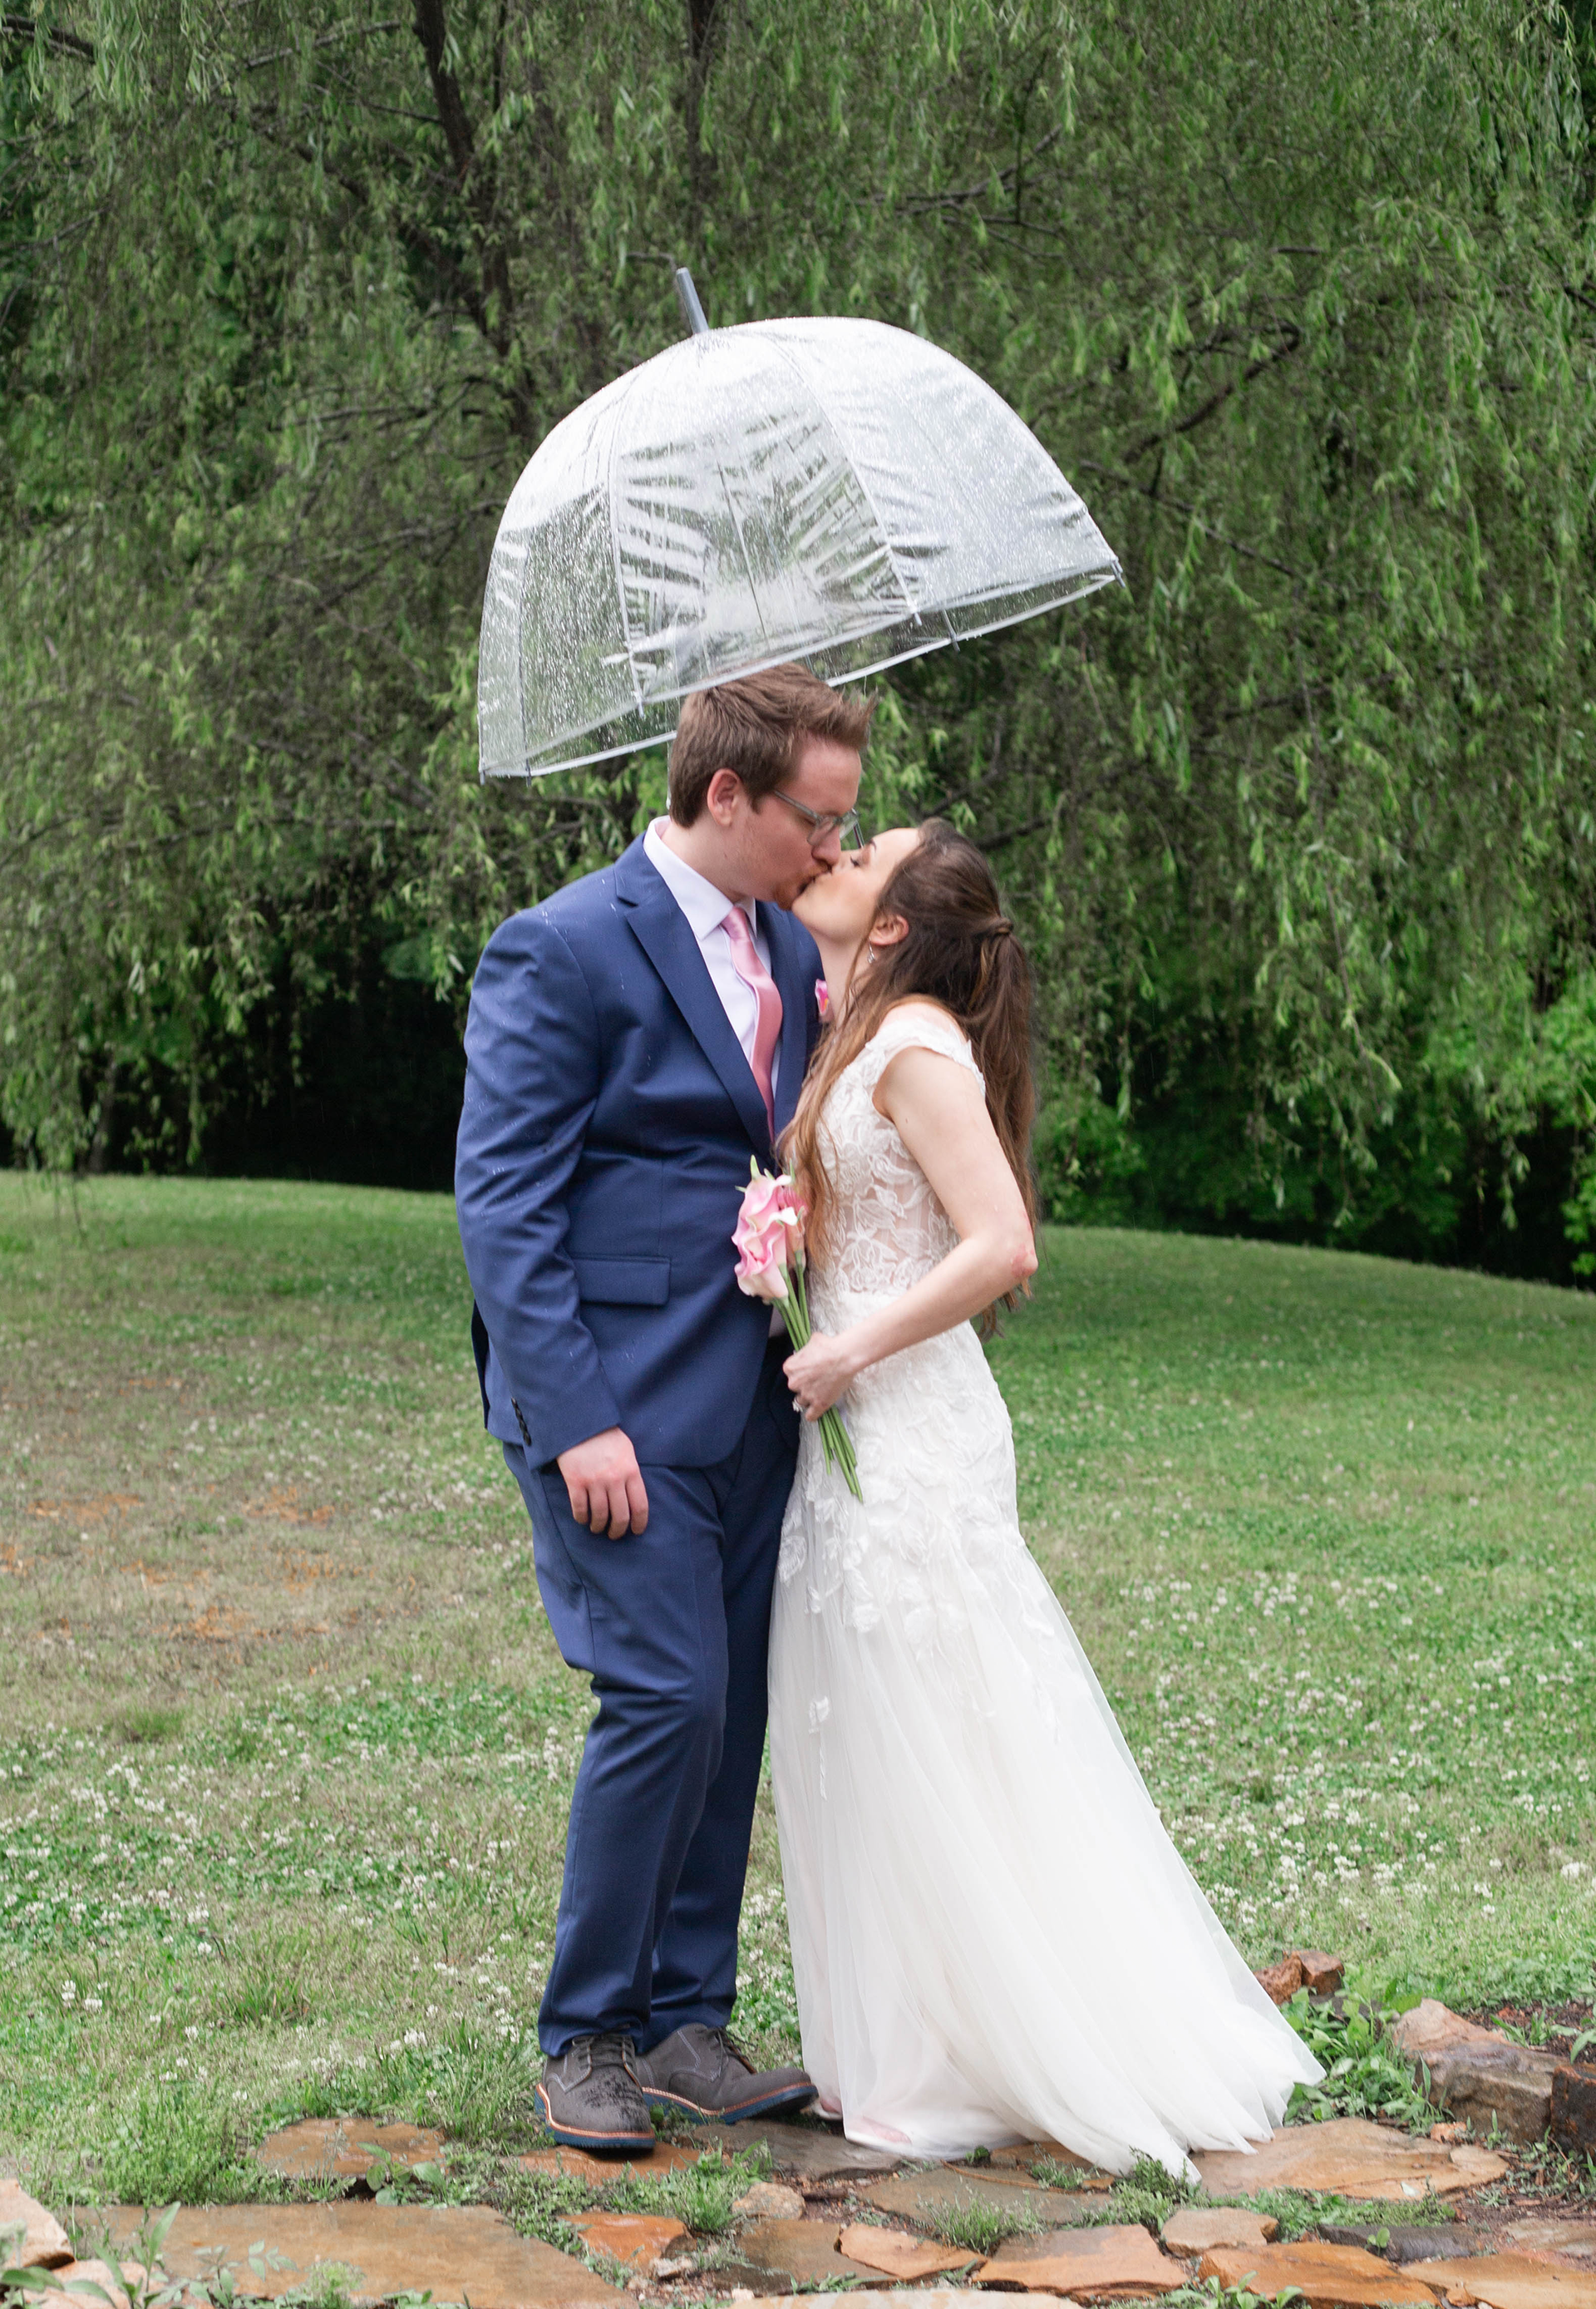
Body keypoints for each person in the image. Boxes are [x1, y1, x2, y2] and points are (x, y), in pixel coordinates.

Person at [768, 818, 1321, 2168]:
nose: (831, 858)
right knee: (866, 1723)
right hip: (858, 1424)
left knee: (940, 1725)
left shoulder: (913, 1048)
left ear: (894, 921)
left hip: (910, 1428)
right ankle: (899, 2040)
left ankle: (1011, 2034)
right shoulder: (855, 1027)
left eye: (862, 855)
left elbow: (1003, 1243)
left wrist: (846, 1342)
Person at [455, 664, 875, 2154]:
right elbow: (502, 1204)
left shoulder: (791, 947)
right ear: (723, 796)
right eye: (815, 822)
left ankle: (691, 2023)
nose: (832, 850)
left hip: (756, 1394)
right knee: (666, 1697)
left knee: (736, 1706)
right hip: (615, 1409)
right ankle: (586, 2035)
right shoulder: (561, 948)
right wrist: (576, 1420)